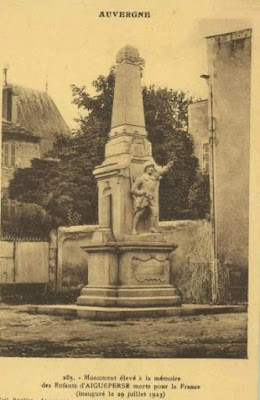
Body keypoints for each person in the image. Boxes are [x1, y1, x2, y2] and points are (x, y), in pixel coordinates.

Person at [130, 160, 174, 234]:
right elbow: (133, 189)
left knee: (155, 212)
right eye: (149, 167)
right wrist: (141, 192)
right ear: (145, 169)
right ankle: (134, 229)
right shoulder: (141, 178)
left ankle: (152, 227)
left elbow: (161, 172)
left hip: (150, 198)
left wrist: (168, 166)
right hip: (143, 198)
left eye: (152, 167)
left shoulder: (154, 177)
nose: (151, 169)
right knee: (139, 213)